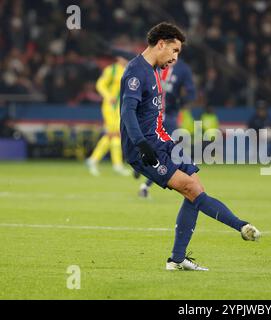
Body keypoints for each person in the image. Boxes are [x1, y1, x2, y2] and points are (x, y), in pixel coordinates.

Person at [120, 22, 261, 271]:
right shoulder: (135, 72)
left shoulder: (152, 70)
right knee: (191, 189)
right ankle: (241, 226)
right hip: (146, 147)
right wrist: (141, 145)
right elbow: (127, 112)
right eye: (174, 51)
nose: (175, 58)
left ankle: (177, 259)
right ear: (161, 43)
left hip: (162, 141)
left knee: (195, 185)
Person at [136, 58, 196, 198]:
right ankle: (143, 170)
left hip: (169, 116)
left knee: (168, 152)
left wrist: (181, 101)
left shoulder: (182, 69)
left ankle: (145, 181)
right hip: (152, 115)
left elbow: (191, 92)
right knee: (163, 151)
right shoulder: (154, 63)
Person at [86, 52, 134, 176]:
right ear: (118, 59)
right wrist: (108, 96)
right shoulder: (111, 70)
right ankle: (116, 165)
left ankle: (93, 160)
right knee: (115, 134)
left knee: (112, 135)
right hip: (110, 106)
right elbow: (100, 84)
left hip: (121, 106)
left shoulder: (130, 71)